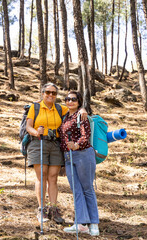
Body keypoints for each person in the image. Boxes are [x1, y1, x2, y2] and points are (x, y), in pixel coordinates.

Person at [25, 83, 86, 224]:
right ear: (42, 93)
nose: (50, 95)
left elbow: (74, 108)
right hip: (38, 143)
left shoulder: (60, 108)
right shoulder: (35, 107)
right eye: (48, 92)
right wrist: (36, 132)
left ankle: (53, 209)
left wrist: (82, 109)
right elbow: (28, 126)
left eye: (53, 93)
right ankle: (42, 209)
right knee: (42, 176)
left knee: (53, 177)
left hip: (55, 144)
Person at [59, 91, 100, 236]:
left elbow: (85, 135)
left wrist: (77, 145)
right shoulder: (65, 116)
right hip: (68, 157)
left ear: (79, 101)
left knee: (87, 188)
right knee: (76, 189)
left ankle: (94, 223)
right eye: (67, 99)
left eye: (73, 99)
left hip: (83, 154)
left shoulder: (81, 116)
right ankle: (81, 223)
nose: (70, 101)